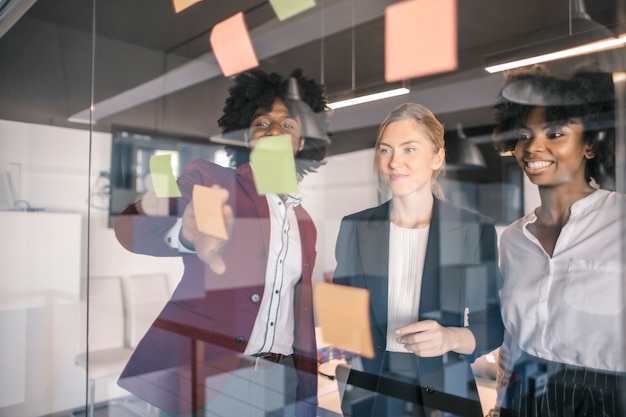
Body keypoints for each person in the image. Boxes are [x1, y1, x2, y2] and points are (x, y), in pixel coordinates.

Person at [113, 68, 331, 417]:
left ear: (302, 143)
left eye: (287, 125)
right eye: (262, 123)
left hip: (284, 379)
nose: (274, 131)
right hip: (215, 376)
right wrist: (183, 234)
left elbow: (299, 312)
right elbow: (132, 228)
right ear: (247, 138)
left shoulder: (304, 222)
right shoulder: (212, 180)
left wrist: (307, 385)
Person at [332, 103, 504, 417]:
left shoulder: (473, 230)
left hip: (446, 395)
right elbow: (344, 318)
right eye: (385, 150)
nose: (394, 161)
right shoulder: (355, 228)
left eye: (409, 149)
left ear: (437, 157)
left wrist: (449, 337)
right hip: (372, 394)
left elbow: (491, 326)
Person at [491, 64, 625, 417]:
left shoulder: (621, 222)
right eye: (523, 134)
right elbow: (512, 339)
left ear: (591, 146)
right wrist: (500, 400)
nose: (533, 146)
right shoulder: (513, 239)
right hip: (524, 391)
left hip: (608, 398)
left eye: (554, 134)